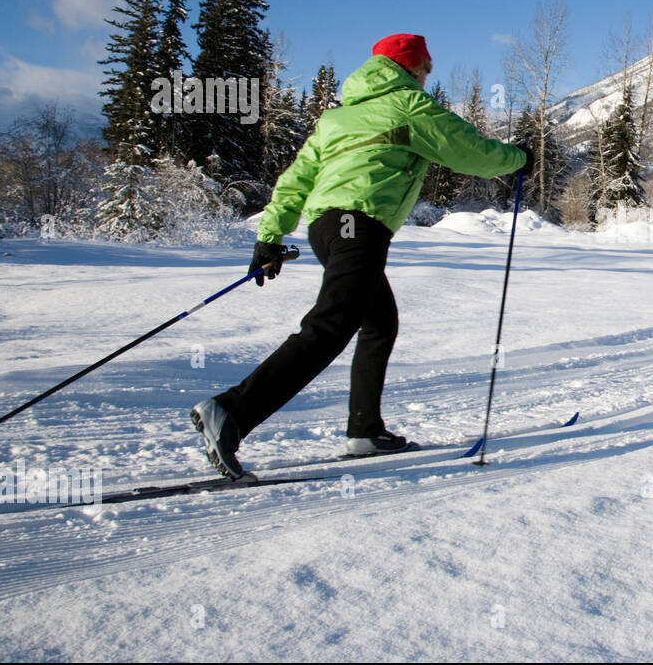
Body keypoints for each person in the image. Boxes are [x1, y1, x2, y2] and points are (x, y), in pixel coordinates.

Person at [192, 34, 528, 479]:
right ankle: (230, 412)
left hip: (326, 227)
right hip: (360, 223)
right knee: (333, 323)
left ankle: (365, 431)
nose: (427, 77)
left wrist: (270, 234)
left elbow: (296, 179)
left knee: (378, 322)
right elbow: (471, 153)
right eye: (425, 69)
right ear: (410, 67)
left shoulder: (337, 118)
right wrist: (518, 157)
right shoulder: (408, 105)